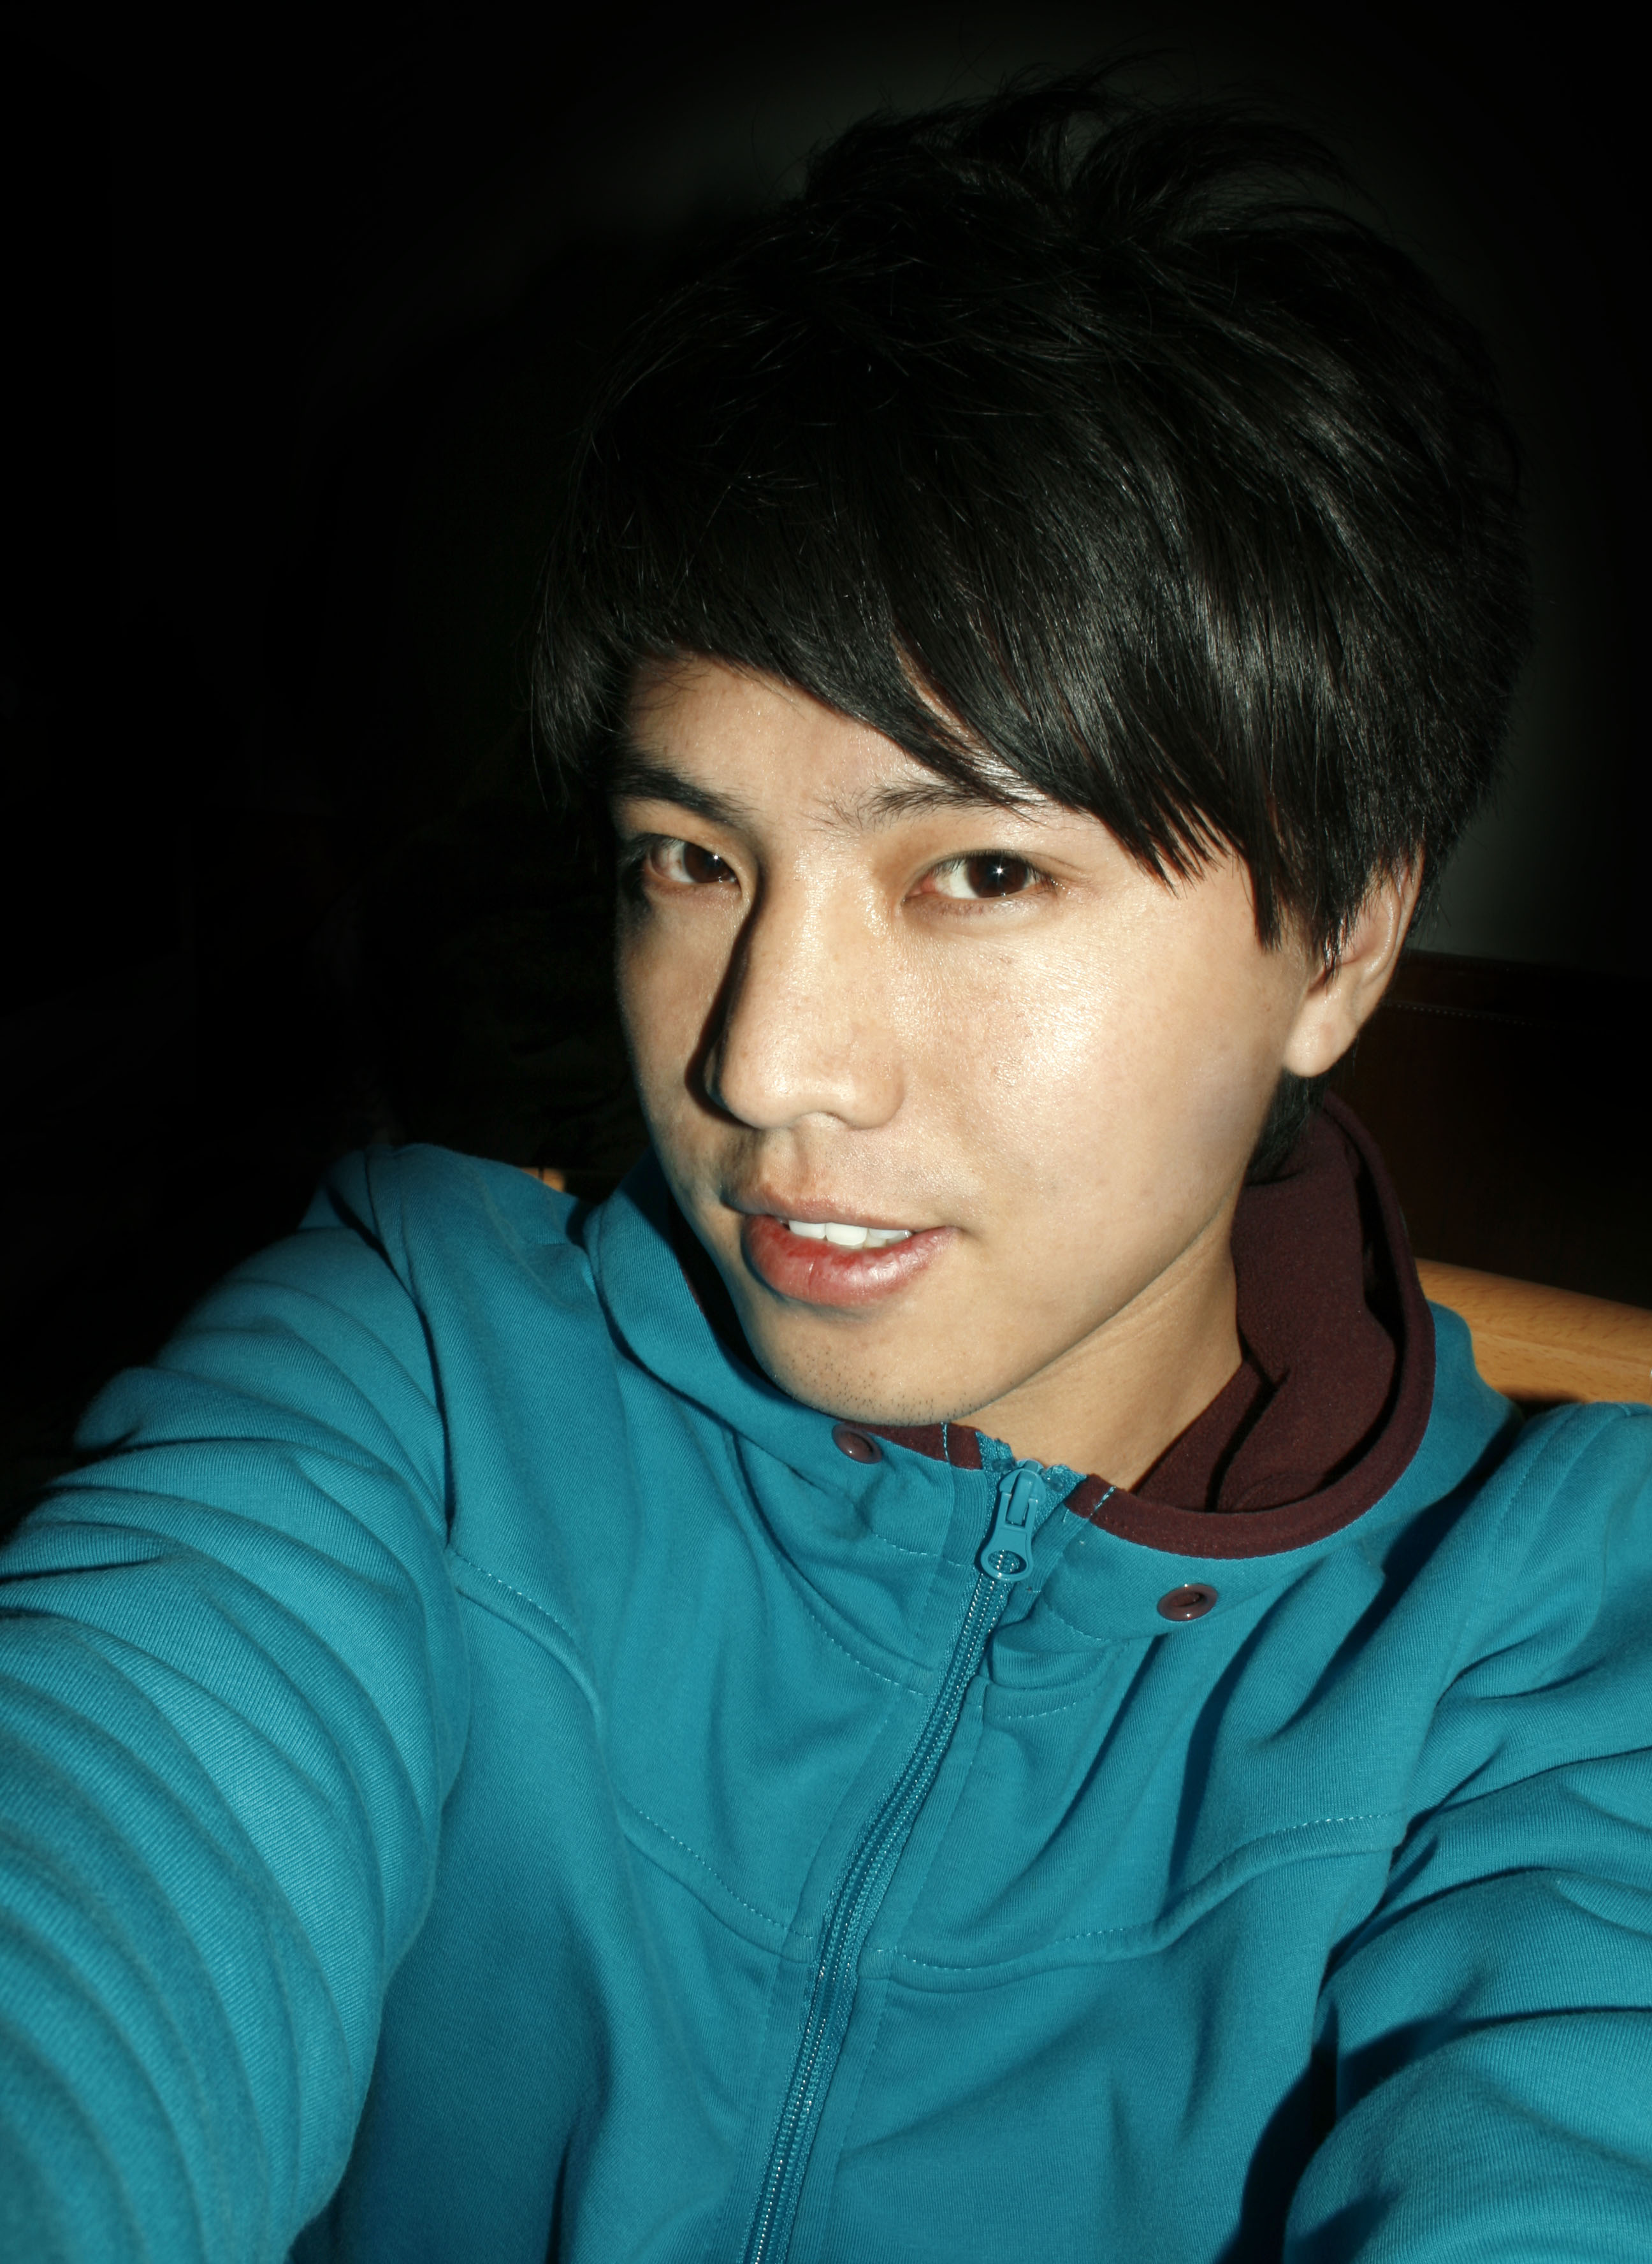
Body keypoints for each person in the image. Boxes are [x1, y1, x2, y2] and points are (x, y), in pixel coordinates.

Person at [3, 71, 1649, 2264]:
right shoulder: (415, 1374)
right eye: (690, 858)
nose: (760, 1062)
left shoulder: (1559, 1643)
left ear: (1343, 938)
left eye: (978, 869)